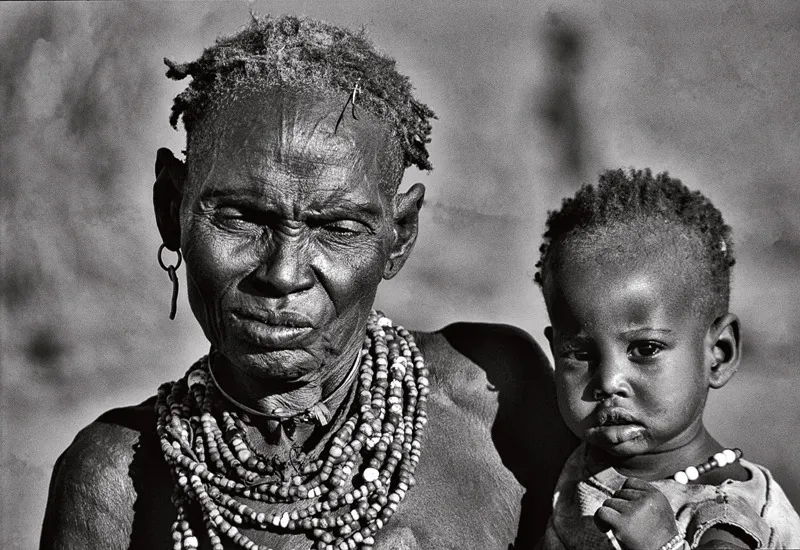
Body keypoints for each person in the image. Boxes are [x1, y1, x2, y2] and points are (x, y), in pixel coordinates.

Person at [39, 15, 576, 550]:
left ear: (399, 236)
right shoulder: (113, 483)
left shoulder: (491, 400)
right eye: (242, 217)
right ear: (170, 208)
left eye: (336, 228)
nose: (283, 274)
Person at [534, 168, 800, 550]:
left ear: (719, 354)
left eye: (646, 349)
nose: (609, 381)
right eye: (579, 354)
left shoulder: (724, 514)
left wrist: (662, 544)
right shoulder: (580, 457)